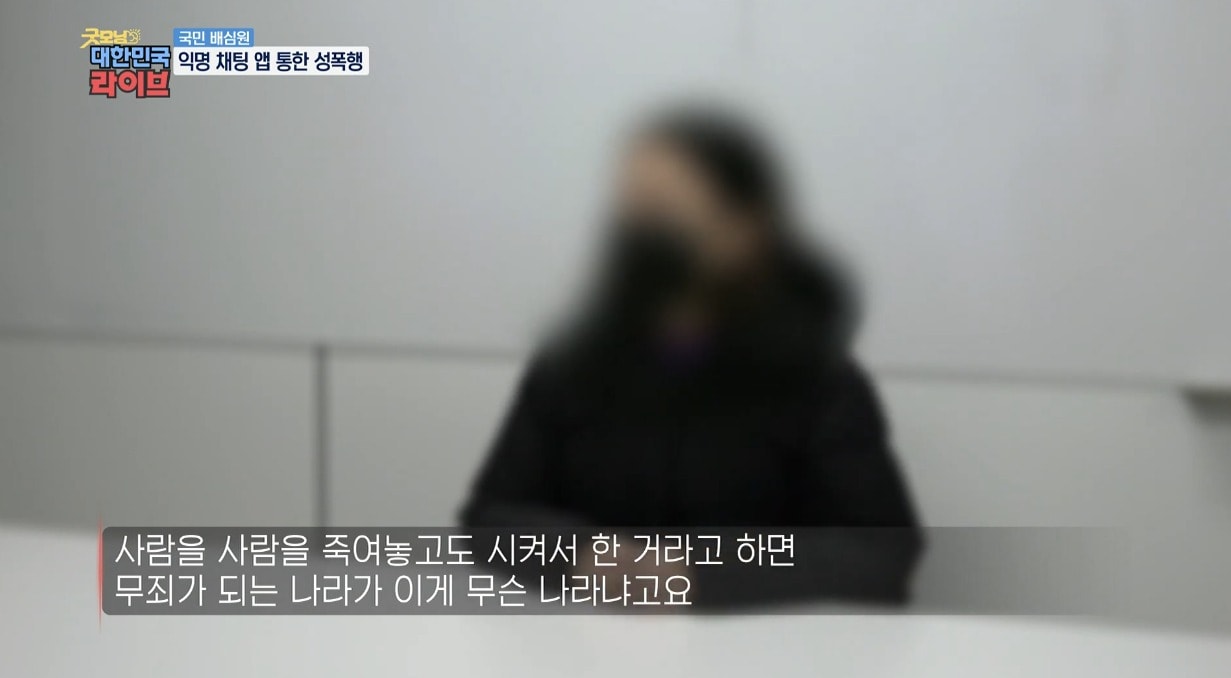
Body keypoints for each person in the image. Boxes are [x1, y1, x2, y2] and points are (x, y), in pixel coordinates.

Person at [459, 105, 924, 609]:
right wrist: (584, 554)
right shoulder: (569, 367)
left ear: (746, 231)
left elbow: (881, 552)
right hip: (590, 636)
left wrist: (697, 571)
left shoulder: (818, 378)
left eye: (673, 213)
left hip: (758, 640)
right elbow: (489, 520)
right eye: (639, 214)